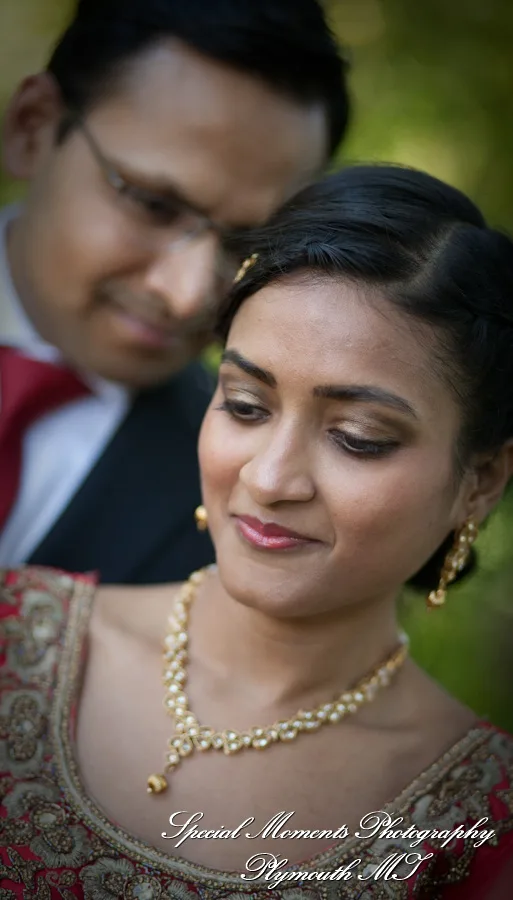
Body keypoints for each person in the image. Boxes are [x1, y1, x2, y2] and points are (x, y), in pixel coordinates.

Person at [1, 164, 513, 898]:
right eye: (245, 405)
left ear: (481, 479)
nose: (270, 479)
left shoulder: (475, 826)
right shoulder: (16, 641)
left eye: (358, 437)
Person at [0, 0, 349, 583]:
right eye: (153, 205)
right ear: (33, 128)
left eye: (245, 242)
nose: (187, 297)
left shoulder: (247, 496)